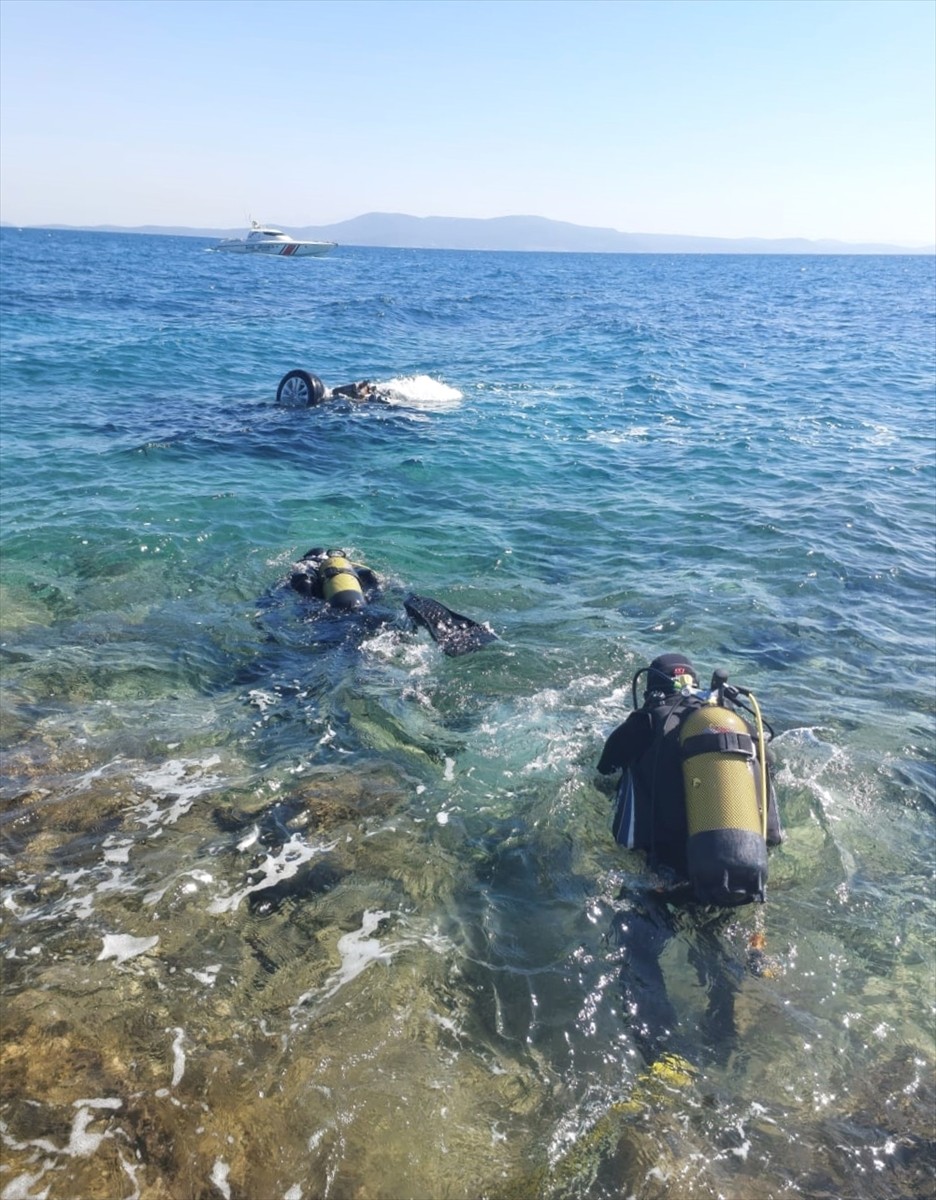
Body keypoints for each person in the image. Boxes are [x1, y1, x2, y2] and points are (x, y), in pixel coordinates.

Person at [597, 652, 783, 1068]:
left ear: (651, 688)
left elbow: (604, 769)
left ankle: (662, 1059)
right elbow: (771, 830)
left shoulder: (644, 722)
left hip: (664, 880)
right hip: (731, 869)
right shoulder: (734, 725)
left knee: (635, 952)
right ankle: (723, 1041)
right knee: (714, 949)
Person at [288, 548, 497, 657]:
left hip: (336, 618)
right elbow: (385, 585)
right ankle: (416, 610)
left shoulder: (305, 572)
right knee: (390, 618)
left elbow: (303, 596)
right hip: (372, 606)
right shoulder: (360, 570)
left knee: (350, 647)